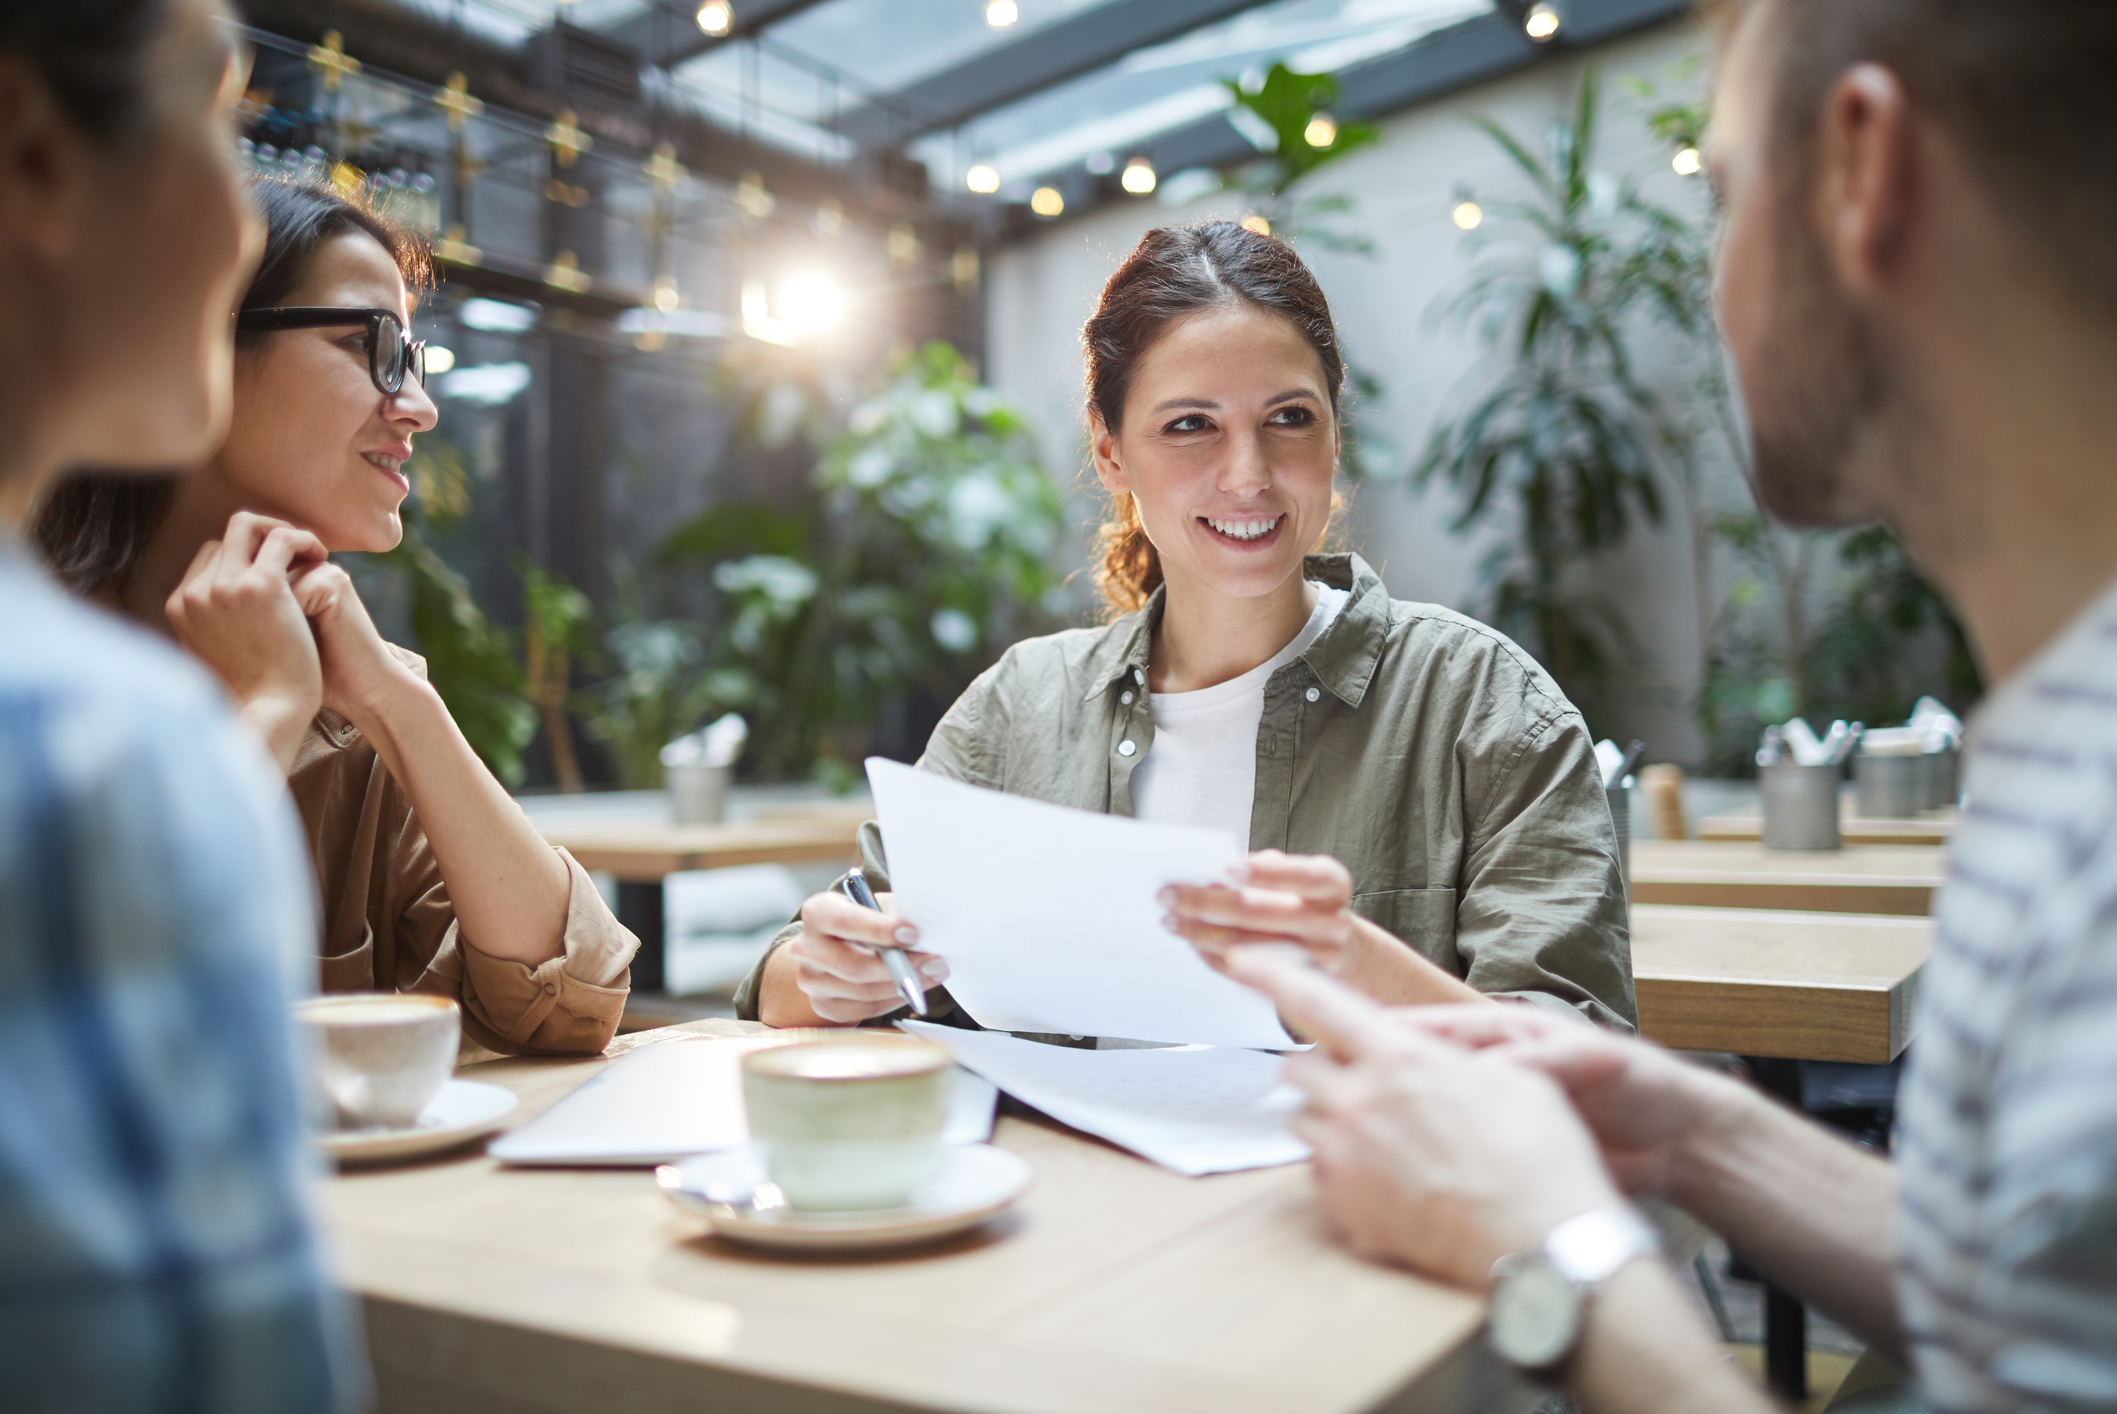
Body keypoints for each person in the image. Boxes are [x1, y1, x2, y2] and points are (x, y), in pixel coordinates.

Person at [1231, 0, 2117, 1408]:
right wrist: (1705, 1133)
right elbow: (2046, 1297)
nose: (1710, 283)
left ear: (1862, 171)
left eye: (1724, 191)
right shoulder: (2063, 749)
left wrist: (1554, 1254)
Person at [739, 221, 1635, 1037]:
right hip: (1061, 1169)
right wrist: (830, 969)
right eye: (1190, 426)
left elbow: (1582, 1058)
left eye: (1289, 418)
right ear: (1111, 454)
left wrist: (1361, 972)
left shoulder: (1480, 706)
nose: (1247, 474)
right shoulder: (1017, 711)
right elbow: (787, 981)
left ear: (1334, 435)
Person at [34, 178, 638, 1056]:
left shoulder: (356, 698)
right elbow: (63, 1025)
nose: (420, 407)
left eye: (413, 359)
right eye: (370, 346)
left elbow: (567, 1007)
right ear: (197, 349)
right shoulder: (34, 673)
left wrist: (399, 703)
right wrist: (269, 711)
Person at [0, 0, 357, 1408]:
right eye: (225, 123)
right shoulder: (104, 749)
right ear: (32, 152)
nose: (235, 219)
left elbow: (571, 981)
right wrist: (253, 726)